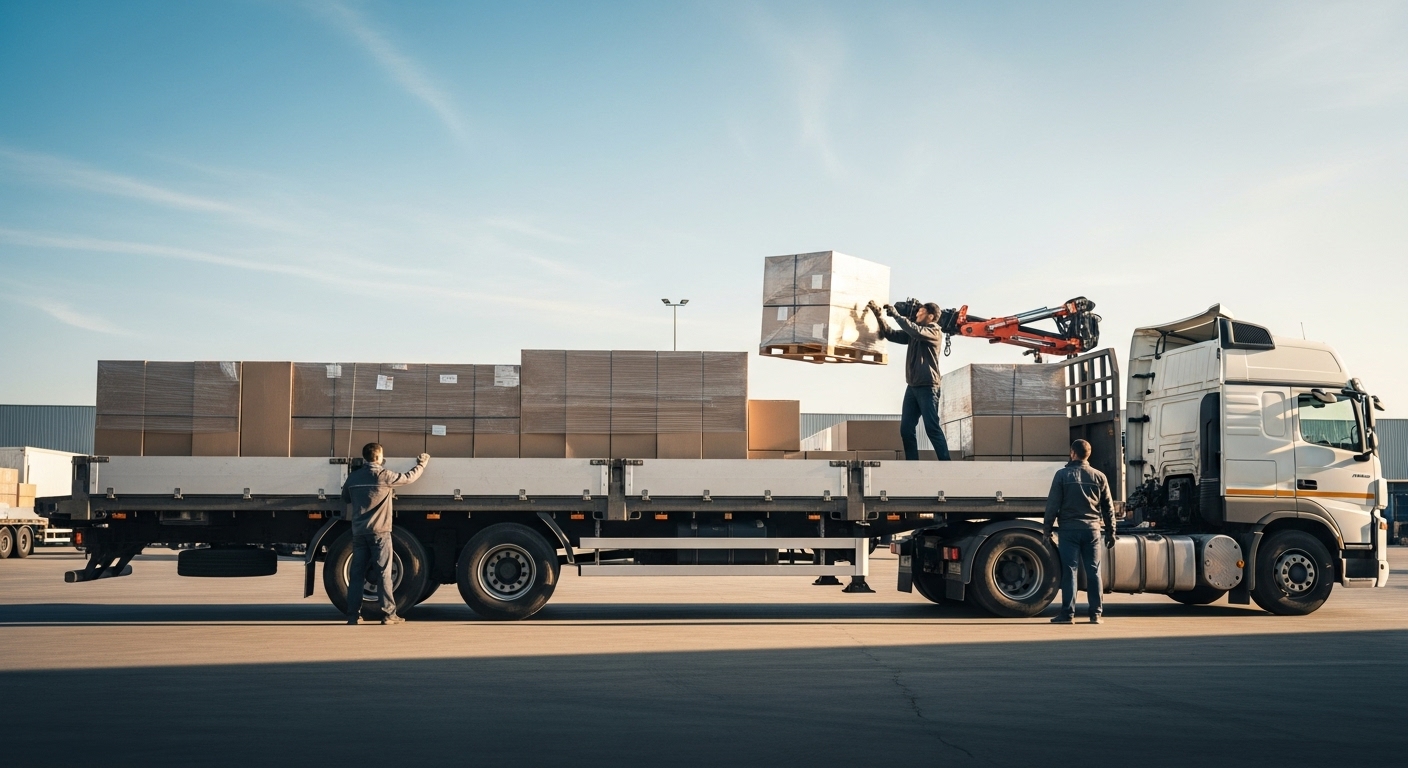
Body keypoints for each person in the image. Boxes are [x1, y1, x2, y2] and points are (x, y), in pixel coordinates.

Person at [340, 443, 429, 625]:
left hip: (359, 533)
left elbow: (346, 498)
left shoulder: (353, 478)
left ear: (365, 457)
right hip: (380, 533)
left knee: (356, 574)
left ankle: (353, 616)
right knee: (383, 573)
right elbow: (409, 478)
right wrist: (422, 464)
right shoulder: (384, 476)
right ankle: (389, 614)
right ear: (379, 457)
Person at [1043, 439, 1115, 624]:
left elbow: (1052, 505)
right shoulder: (1099, 476)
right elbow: (1108, 508)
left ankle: (1067, 614)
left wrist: (1047, 530)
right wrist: (1111, 531)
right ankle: (1095, 614)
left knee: (1070, 571)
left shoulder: (1061, 475)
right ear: (1088, 455)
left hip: (1069, 530)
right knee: (1094, 571)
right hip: (1092, 530)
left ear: (1072, 453)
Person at [868, 299, 951, 461]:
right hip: (912, 387)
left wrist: (897, 316)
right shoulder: (915, 333)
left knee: (931, 428)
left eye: (921, 312)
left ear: (931, 316)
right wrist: (879, 316)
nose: (917, 313)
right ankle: (912, 464)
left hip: (928, 387)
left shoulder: (934, 331)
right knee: (906, 429)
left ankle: (946, 463)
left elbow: (915, 331)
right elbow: (891, 335)